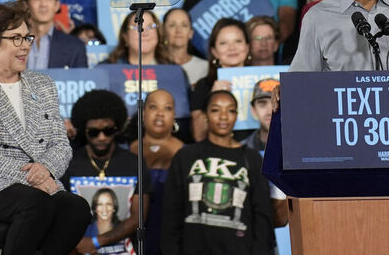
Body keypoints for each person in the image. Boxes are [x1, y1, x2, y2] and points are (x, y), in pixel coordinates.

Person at [0, 2, 91, 254]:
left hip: (40, 182)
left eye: (27, 37)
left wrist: (45, 169)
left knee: (77, 208)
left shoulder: (43, 85)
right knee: (36, 204)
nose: (26, 45)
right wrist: (30, 177)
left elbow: (60, 144)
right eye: (16, 38)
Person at [161, 90, 272, 254]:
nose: (223, 116)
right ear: (205, 115)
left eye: (230, 110)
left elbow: (262, 219)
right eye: (215, 110)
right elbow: (170, 215)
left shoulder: (252, 159)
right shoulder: (186, 156)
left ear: (236, 115)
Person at [64, 89, 140, 254]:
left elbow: (138, 218)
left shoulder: (135, 164)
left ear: (117, 128)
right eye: (94, 132)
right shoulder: (70, 164)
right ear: (84, 130)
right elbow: (62, 218)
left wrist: (95, 242)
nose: (101, 137)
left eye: (108, 130)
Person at [129, 89, 185, 255]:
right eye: (153, 107)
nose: (160, 114)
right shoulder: (127, 151)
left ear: (174, 115)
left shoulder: (188, 154)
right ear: (143, 113)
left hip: (174, 235)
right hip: (134, 235)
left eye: (167, 108)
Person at [190, 18, 250, 141]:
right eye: (223, 43)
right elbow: (198, 135)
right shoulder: (204, 85)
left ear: (247, 47)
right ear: (214, 52)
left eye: (238, 41)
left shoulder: (264, 81)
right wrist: (212, 96)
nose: (232, 48)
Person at [23, 0, 88, 70]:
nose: (43, 4)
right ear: (26, 6)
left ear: (57, 5)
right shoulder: (10, 44)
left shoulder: (76, 47)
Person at [162, 7, 208, 85]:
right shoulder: (154, 65)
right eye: (172, 25)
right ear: (163, 31)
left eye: (184, 25)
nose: (178, 31)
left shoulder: (205, 67)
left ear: (191, 33)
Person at [243, 79, 278, 153]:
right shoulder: (241, 150)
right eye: (262, 104)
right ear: (253, 110)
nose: (270, 112)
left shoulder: (302, 144)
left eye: (276, 103)